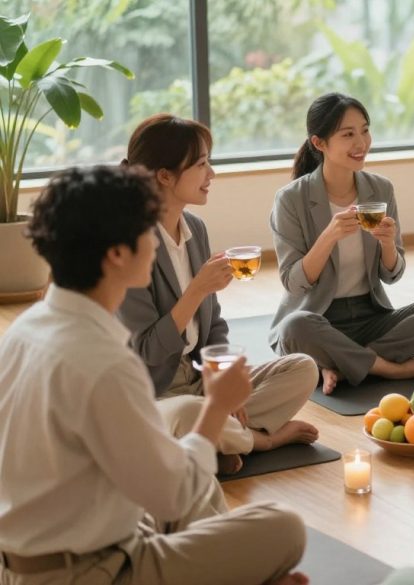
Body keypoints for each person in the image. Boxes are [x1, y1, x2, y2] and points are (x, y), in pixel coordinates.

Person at [0, 165, 308, 585]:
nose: (156, 242)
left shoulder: (24, 330)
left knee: (198, 489)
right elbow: (171, 495)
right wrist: (217, 406)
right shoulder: (104, 360)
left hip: (32, 559)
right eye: (148, 230)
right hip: (91, 572)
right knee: (283, 527)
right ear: (117, 254)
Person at [117, 114, 319, 475]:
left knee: (303, 369)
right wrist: (196, 290)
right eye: (201, 164)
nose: (211, 174)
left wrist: (223, 383)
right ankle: (259, 440)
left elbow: (214, 325)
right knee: (187, 413)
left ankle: (212, 441)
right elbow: (147, 350)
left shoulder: (195, 228)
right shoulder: (129, 245)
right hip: (155, 394)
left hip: (198, 380)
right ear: (165, 176)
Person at [269, 92, 414, 394]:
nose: (361, 143)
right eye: (348, 134)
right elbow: (293, 283)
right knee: (294, 328)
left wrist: (387, 244)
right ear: (319, 143)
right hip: (317, 318)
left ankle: (345, 365)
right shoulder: (291, 199)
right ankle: (389, 369)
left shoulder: (380, 189)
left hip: (371, 317)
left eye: (365, 130)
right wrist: (328, 237)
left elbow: (392, 274)